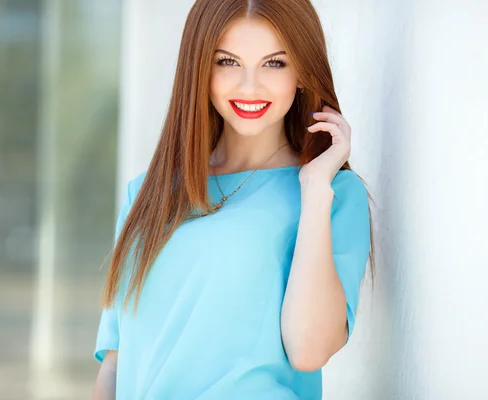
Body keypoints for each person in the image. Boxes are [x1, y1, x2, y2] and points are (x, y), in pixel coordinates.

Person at [92, 0, 375, 399]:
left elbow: (309, 350)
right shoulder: (147, 195)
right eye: (227, 61)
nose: (249, 86)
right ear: (200, 68)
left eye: (274, 63)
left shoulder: (334, 195)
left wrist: (314, 189)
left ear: (302, 72)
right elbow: (115, 365)